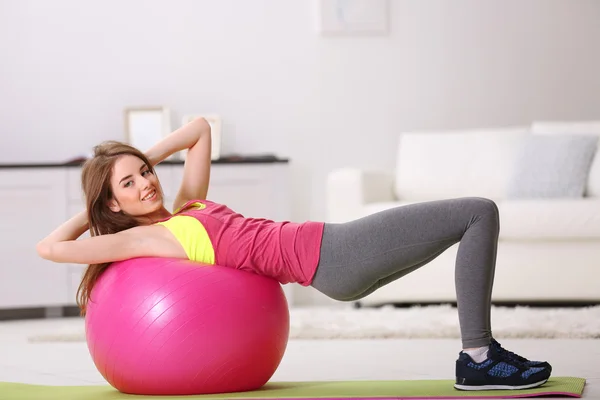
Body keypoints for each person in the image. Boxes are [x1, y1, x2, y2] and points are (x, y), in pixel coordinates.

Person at [37, 117, 552, 392]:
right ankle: (479, 359)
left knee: (468, 221)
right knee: (478, 212)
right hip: (333, 253)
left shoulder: (186, 206)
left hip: (331, 256)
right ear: (113, 201)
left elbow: (198, 129)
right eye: (129, 183)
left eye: (146, 172)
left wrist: (137, 159)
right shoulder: (146, 239)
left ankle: (482, 356)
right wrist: (96, 202)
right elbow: (51, 247)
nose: (146, 183)